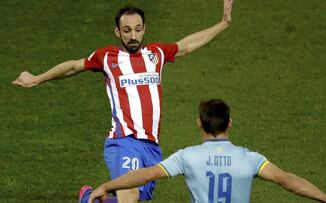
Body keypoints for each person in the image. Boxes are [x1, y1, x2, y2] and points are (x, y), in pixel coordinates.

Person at [12, 1, 234, 202]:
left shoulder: (156, 53)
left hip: (151, 146)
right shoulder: (107, 57)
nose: (133, 36)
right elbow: (72, 67)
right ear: (117, 32)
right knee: (129, 197)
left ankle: (89, 198)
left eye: (138, 30)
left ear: (144, 29)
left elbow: (186, 45)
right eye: (127, 31)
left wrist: (223, 24)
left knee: (135, 199)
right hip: (124, 140)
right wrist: (37, 79)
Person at [86, 99, 326, 203]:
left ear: (199, 123)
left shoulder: (187, 156)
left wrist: (107, 186)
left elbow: (145, 175)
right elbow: (287, 180)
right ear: (230, 123)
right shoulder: (249, 159)